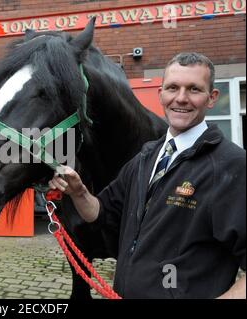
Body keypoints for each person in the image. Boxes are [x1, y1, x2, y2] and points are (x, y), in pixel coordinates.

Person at [49, 52, 246, 299]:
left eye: (194, 89)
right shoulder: (146, 156)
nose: (181, 98)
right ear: (161, 94)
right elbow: (101, 213)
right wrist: (79, 193)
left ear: (211, 98)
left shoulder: (232, 166)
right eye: (173, 88)